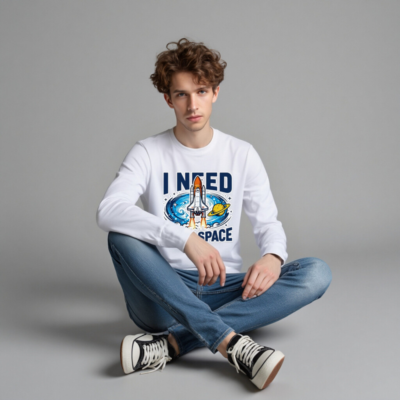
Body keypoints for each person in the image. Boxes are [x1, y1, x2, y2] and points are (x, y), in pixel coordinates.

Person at [96, 37, 332, 390]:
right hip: (162, 293)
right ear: (168, 99)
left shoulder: (241, 154)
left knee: (316, 273)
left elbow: (268, 222)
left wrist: (272, 256)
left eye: (201, 92)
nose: (193, 105)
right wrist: (184, 238)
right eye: (181, 94)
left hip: (226, 288)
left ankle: (172, 344)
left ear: (215, 93)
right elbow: (109, 210)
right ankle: (231, 342)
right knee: (121, 237)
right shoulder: (147, 152)